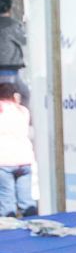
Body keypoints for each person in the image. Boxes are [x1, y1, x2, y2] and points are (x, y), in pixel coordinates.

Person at [0, 82, 36, 217]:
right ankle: (33, 224)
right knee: (27, 202)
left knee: (7, 202)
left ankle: (8, 229)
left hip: (4, 162)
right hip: (24, 160)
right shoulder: (23, 111)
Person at [0, 0, 29, 105]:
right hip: (10, 69)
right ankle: (24, 113)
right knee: (25, 94)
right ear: (9, 8)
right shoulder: (13, 25)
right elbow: (24, 41)